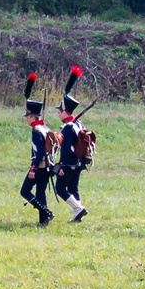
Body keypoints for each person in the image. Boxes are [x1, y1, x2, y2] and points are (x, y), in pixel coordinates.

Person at [54, 67, 93, 222]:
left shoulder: (68, 127)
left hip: (70, 163)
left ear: (65, 112)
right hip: (79, 162)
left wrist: (62, 166)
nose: (58, 113)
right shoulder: (77, 123)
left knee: (60, 189)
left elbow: (66, 149)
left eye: (59, 111)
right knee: (73, 188)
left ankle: (78, 209)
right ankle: (78, 214)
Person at [19, 75, 56, 226]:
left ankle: (46, 212)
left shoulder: (36, 130)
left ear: (33, 117)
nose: (26, 119)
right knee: (40, 193)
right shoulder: (44, 127)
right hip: (48, 166)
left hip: (40, 166)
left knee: (24, 191)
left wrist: (33, 168)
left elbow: (39, 152)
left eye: (28, 116)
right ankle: (43, 221)